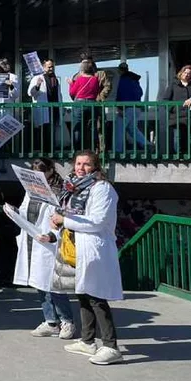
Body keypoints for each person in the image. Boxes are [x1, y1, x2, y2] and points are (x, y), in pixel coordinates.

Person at [50, 151, 124, 365]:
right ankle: (87, 340)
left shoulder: (102, 189)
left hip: (94, 247)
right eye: (78, 163)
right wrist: (57, 221)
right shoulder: (73, 186)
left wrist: (65, 220)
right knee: (82, 293)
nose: (81, 168)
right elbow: (65, 212)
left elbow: (98, 220)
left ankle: (111, 346)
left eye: (87, 164)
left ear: (96, 166)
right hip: (75, 245)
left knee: (96, 297)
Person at [12, 158, 78, 339]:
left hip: (50, 242)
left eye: (41, 173)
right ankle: (50, 321)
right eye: (35, 173)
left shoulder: (59, 191)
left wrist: (51, 235)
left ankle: (67, 321)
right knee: (39, 283)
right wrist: (14, 213)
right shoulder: (30, 190)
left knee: (54, 285)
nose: (38, 177)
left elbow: (61, 218)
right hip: (33, 240)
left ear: (50, 171)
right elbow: (26, 211)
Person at [158, 65, 191, 155]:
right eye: (185, 72)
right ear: (181, 73)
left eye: (189, 73)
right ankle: (179, 157)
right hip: (176, 117)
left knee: (190, 138)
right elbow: (165, 99)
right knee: (177, 138)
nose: (186, 75)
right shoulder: (174, 84)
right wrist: (173, 109)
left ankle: (188, 156)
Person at [113, 61, 150, 154]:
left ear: (119, 71)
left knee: (119, 129)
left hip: (126, 108)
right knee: (132, 129)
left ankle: (118, 151)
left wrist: (120, 108)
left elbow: (121, 94)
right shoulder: (134, 80)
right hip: (136, 108)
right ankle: (147, 144)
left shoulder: (123, 80)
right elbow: (140, 93)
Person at [68, 59, 101, 151]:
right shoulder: (95, 79)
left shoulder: (79, 79)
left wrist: (71, 84)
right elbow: (96, 92)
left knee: (77, 127)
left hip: (80, 103)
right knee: (93, 127)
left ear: (82, 70)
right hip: (92, 103)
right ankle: (94, 148)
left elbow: (72, 92)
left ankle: (77, 150)